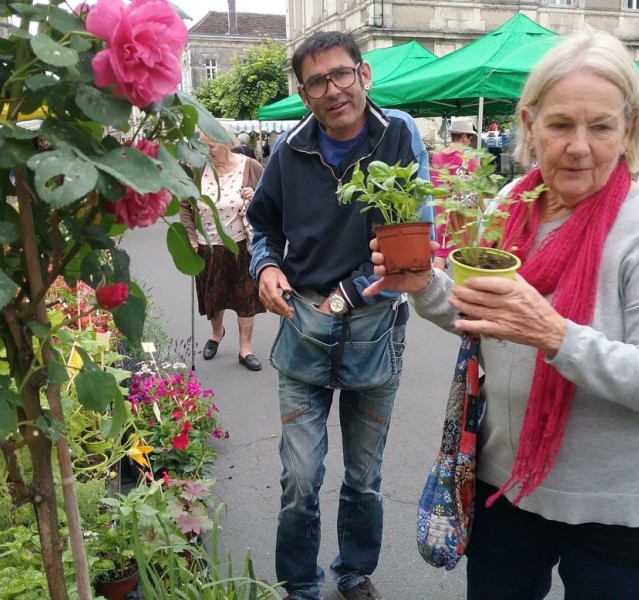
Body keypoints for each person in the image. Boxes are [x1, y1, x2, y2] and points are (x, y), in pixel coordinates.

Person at [364, 29, 639, 600]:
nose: (580, 146)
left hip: (626, 505)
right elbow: (489, 321)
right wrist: (425, 285)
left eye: (601, 125)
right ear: (529, 125)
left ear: (628, 128)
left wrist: (556, 335)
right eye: (560, 125)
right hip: (512, 485)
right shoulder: (513, 205)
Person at [246, 31, 431, 600]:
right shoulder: (290, 149)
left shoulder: (397, 134)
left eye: (342, 74)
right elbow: (264, 227)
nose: (333, 89)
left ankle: (353, 572)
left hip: (375, 330)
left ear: (363, 73)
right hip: (304, 327)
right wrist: (265, 268)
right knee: (299, 480)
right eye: (317, 81)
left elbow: (416, 231)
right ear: (304, 94)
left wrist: (350, 293)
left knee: (364, 477)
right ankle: (300, 584)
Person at [179, 130, 266, 371]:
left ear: (228, 144)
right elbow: (185, 206)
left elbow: (271, 198)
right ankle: (217, 333)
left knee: (245, 298)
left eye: (211, 147)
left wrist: (255, 195)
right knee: (213, 297)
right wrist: (190, 236)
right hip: (207, 247)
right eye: (201, 148)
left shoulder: (251, 166)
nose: (205, 153)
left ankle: (245, 349)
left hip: (241, 246)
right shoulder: (197, 170)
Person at [431, 117, 479, 269]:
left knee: (441, 251)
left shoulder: (437, 156)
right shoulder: (469, 158)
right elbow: (476, 188)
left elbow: (434, 184)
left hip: (441, 210)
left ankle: (436, 287)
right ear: (464, 136)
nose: (470, 141)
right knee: (463, 251)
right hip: (462, 213)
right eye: (470, 137)